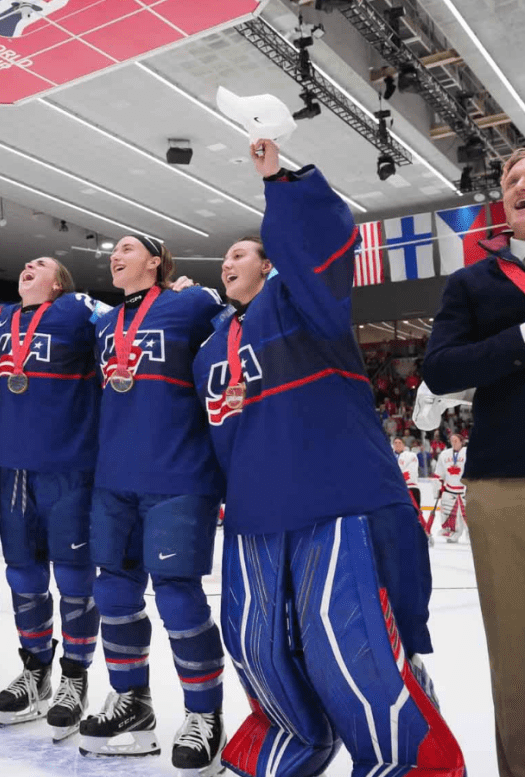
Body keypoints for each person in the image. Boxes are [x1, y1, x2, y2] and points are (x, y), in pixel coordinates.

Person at [192, 139, 463, 777]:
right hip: (257, 516)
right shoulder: (208, 352)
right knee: (262, 646)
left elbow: (316, 248)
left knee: (354, 642)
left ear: (272, 266)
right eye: (224, 257)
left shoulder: (303, 306)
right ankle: (292, 743)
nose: (228, 262)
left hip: (338, 499)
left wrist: (281, 182)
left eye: (242, 252)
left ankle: (404, 758)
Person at [80, 236, 227, 768]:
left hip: (179, 473)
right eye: (111, 251)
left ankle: (204, 713)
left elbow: (237, 336)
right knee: (113, 593)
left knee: (178, 597)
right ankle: (132, 701)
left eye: (126, 248)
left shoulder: (193, 303)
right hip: (114, 476)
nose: (114, 256)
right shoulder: (102, 324)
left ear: (157, 262)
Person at [422, 147, 525, 777]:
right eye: (512, 179)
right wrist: (518, 340)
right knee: (516, 654)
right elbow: (440, 367)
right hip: (506, 479)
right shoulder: (473, 283)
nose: (519, 186)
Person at [0, 258, 104, 739]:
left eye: (41, 265)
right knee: (23, 574)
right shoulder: (0, 321)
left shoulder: (77, 308)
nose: (27, 266)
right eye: (24, 265)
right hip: (14, 467)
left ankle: (75, 678)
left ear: (58, 283)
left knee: (76, 578)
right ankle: (37, 669)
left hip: (68, 466)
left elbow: (132, 324)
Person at [431, 433, 467, 542]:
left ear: (461, 442)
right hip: (450, 491)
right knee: (448, 516)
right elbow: (438, 473)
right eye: (452, 441)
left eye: (456, 440)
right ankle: (451, 535)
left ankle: (473, 538)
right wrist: (437, 489)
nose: (454, 443)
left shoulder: (468, 452)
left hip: (466, 491)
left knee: (472, 517)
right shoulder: (444, 454)